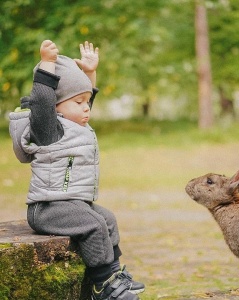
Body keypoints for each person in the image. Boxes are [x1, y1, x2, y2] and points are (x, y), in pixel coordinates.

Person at [9, 40, 145, 300]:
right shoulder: (48, 129)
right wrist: (47, 64)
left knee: (107, 219)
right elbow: (43, 99)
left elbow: (83, 96)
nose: (87, 107)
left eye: (87, 102)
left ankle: (114, 275)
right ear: (55, 107)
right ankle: (103, 284)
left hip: (71, 204)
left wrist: (90, 73)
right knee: (93, 224)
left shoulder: (75, 125)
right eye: (79, 102)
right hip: (47, 208)